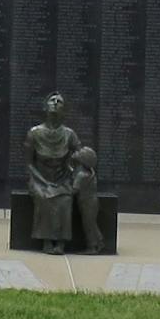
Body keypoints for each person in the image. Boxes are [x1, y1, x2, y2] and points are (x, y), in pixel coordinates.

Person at [24, 92, 103, 253]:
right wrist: (43, 182)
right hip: (40, 178)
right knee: (43, 198)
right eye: (51, 100)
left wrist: (81, 173)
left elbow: (82, 155)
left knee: (65, 200)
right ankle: (46, 241)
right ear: (45, 107)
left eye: (59, 102)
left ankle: (60, 243)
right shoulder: (34, 133)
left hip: (62, 178)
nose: (55, 103)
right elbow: (29, 164)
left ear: (64, 110)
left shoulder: (69, 134)